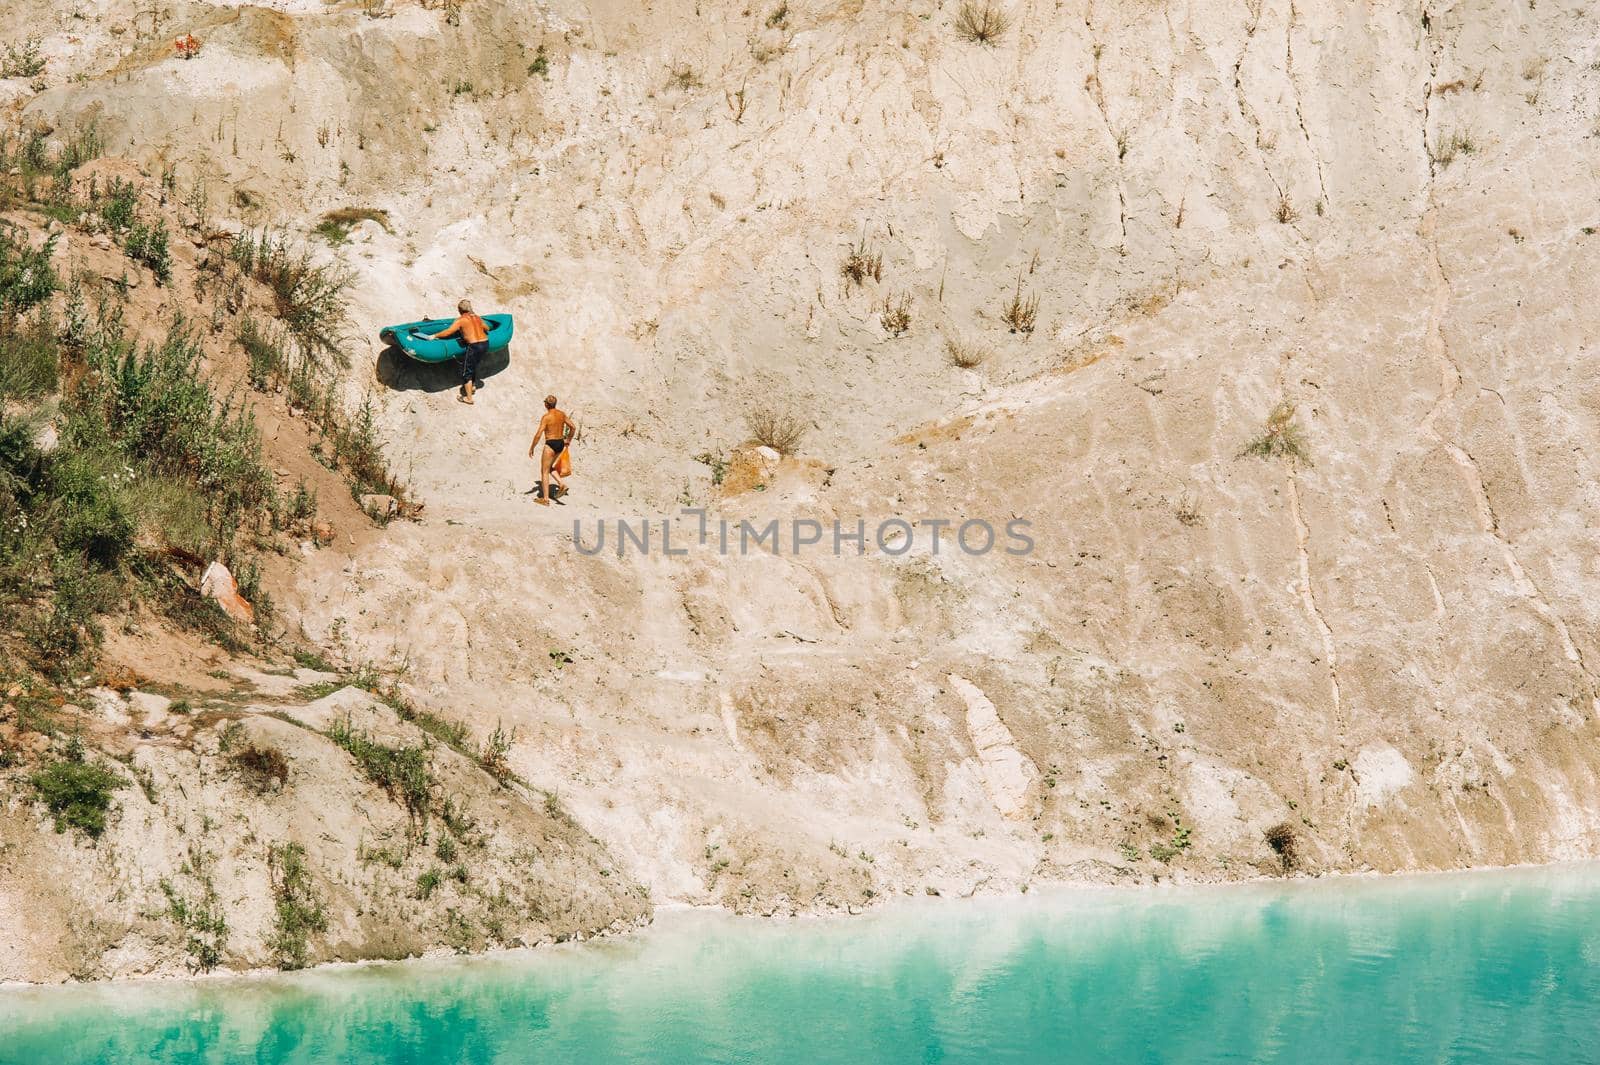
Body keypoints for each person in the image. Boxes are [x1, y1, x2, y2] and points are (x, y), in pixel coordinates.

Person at [422, 299, 489, 405]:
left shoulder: (460, 320)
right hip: (485, 343)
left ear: (460, 310)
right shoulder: (477, 317)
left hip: (474, 346)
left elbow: (448, 332)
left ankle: (469, 398)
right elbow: (487, 328)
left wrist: (434, 335)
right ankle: (473, 386)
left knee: (466, 371)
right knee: (473, 365)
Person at [529, 395, 576, 505]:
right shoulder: (561, 414)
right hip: (560, 443)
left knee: (544, 471)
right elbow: (573, 427)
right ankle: (561, 484)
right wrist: (568, 440)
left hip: (550, 444)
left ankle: (545, 500)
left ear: (546, 404)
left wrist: (532, 447)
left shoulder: (546, 417)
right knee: (549, 467)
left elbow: (538, 434)